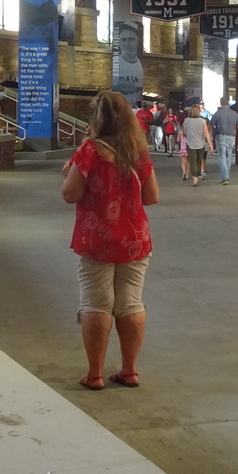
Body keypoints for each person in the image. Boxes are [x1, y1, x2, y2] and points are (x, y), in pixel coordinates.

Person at [61, 90, 159, 390]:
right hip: (134, 238)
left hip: (96, 240)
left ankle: (95, 375)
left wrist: (70, 173)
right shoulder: (137, 151)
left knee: (96, 304)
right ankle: (129, 370)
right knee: (131, 303)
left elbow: (69, 194)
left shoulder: (89, 151)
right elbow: (151, 197)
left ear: (97, 117)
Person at [211, 97, 238, 185]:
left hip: (221, 136)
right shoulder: (235, 114)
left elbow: (211, 126)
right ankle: (227, 176)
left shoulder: (217, 114)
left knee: (222, 157)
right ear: (228, 103)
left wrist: (211, 138)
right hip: (232, 137)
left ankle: (225, 177)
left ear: (220, 103)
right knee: (228, 157)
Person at [181, 104, 212, 185]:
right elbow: (206, 133)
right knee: (199, 161)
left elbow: (185, 132)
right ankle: (196, 176)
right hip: (201, 144)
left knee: (193, 161)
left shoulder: (186, 120)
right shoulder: (203, 121)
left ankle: (195, 179)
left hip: (190, 144)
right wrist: (210, 144)